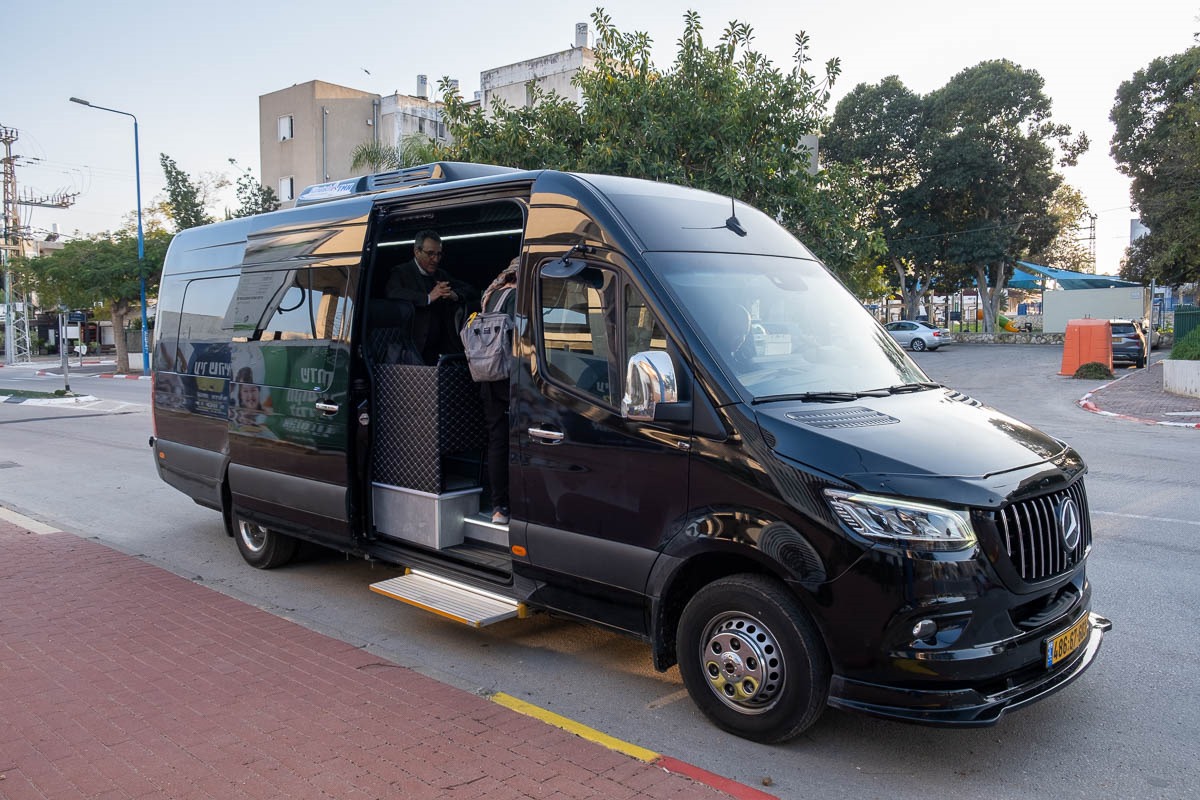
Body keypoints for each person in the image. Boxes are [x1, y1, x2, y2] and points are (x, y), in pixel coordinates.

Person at [384, 230, 480, 365]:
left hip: (440, 349)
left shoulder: (441, 275)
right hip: (412, 348)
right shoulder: (401, 272)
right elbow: (392, 293)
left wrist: (455, 295)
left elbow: (472, 290)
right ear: (417, 252)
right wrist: (428, 297)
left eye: (438, 254)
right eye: (430, 254)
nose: (435, 259)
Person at [477, 258, 518, 525]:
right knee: (516, 440)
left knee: (497, 439)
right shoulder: (515, 297)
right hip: (508, 377)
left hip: (487, 375)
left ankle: (498, 507)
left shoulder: (491, 294)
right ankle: (513, 503)